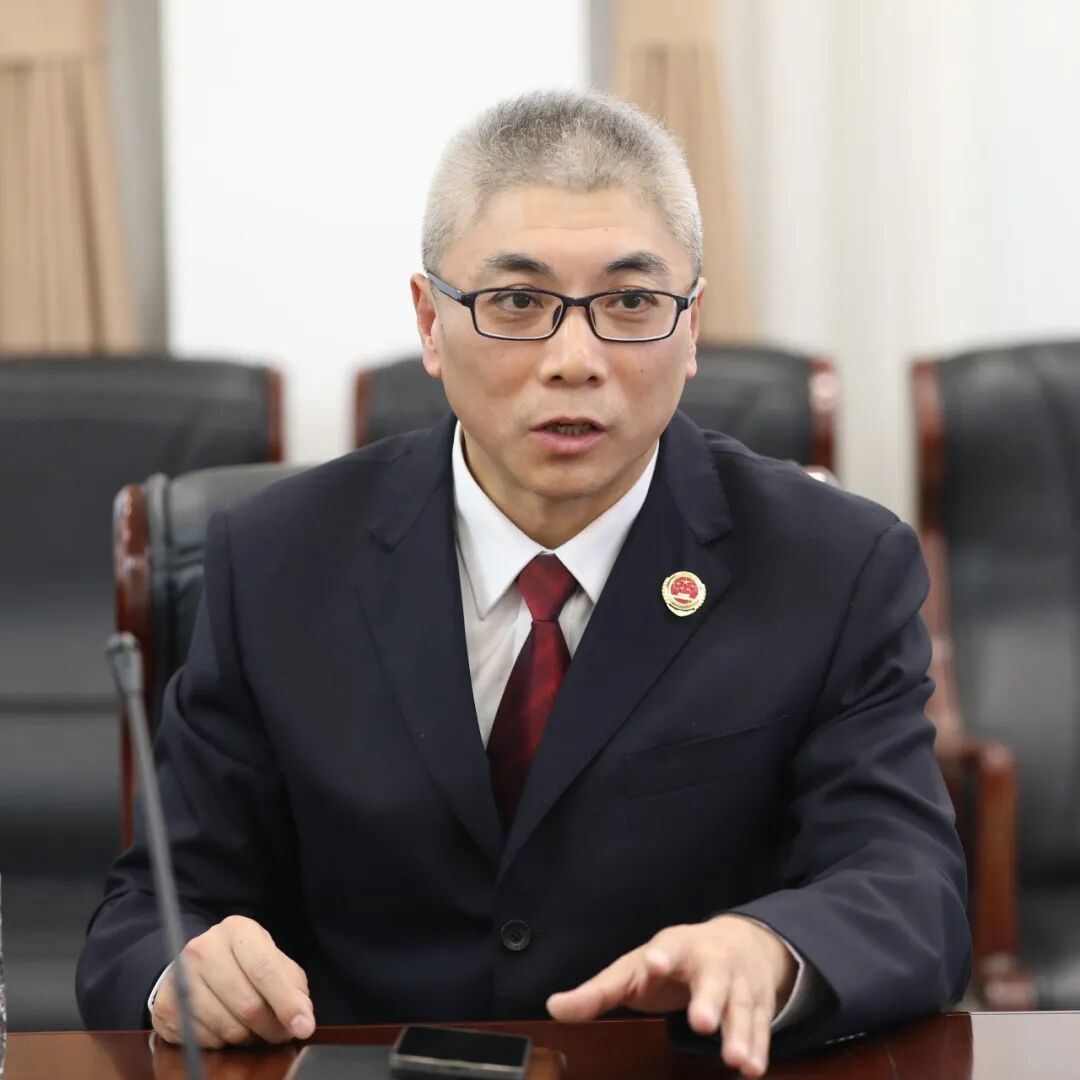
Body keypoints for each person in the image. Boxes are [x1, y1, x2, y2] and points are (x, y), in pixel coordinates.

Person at [76, 90, 970, 1077]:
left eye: (630, 304)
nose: (574, 362)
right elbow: (149, 913)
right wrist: (183, 971)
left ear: (691, 328)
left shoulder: (830, 564)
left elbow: (911, 888)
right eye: (515, 304)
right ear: (430, 322)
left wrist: (774, 950)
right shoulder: (278, 561)